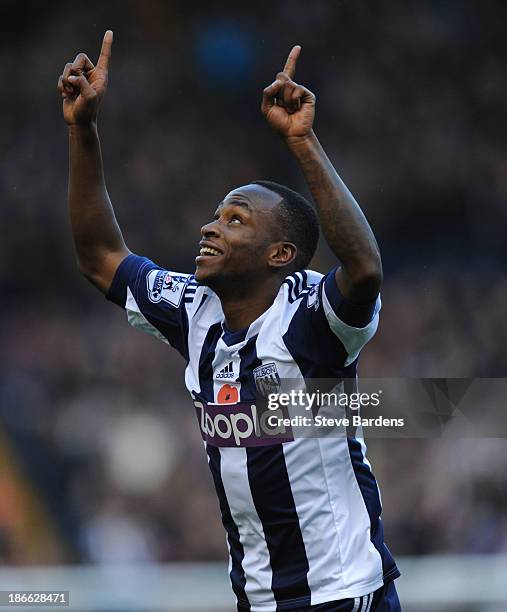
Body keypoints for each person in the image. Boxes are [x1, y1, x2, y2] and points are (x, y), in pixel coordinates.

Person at [58, 30, 401, 612]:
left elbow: (364, 269)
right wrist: (83, 130)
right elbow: (100, 259)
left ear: (280, 254)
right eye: (216, 216)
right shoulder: (194, 309)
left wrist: (304, 141)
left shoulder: (311, 320)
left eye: (236, 220)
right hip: (258, 600)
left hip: (341, 596)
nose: (210, 228)